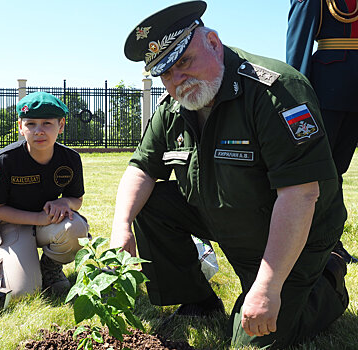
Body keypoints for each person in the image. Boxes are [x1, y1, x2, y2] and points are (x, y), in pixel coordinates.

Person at [110, 1, 349, 348]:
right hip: (228, 216)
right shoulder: (175, 105)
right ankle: (198, 300)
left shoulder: (275, 91)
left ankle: (327, 282)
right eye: (166, 73)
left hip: (293, 237)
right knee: (149, 204)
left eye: (185, 62)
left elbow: (300, 194)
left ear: (214, 43)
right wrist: (122, 227)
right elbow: (142, 167)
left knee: (252, 339)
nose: (177, 80)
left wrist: (266, 288)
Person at [0, 91, 90, 298]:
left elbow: (77, 200)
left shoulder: (70, 158)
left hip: (49, 222)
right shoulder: (5, 160)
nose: (39, 131)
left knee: (75, 227)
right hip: (13, 222)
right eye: (31, 124)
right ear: (20, 127)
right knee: (22, 293)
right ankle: (18, 266)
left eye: (47, 123)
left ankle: (50, 268)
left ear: (61, 125)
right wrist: (36, 218)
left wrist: (65, 202)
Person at [286, 0, 358, 264]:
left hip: (352, 91)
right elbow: (300, 40)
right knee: (321, 172)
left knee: (337, 170)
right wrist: (295, 96)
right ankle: (319, 242)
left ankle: (330, 241)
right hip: (328, 88)